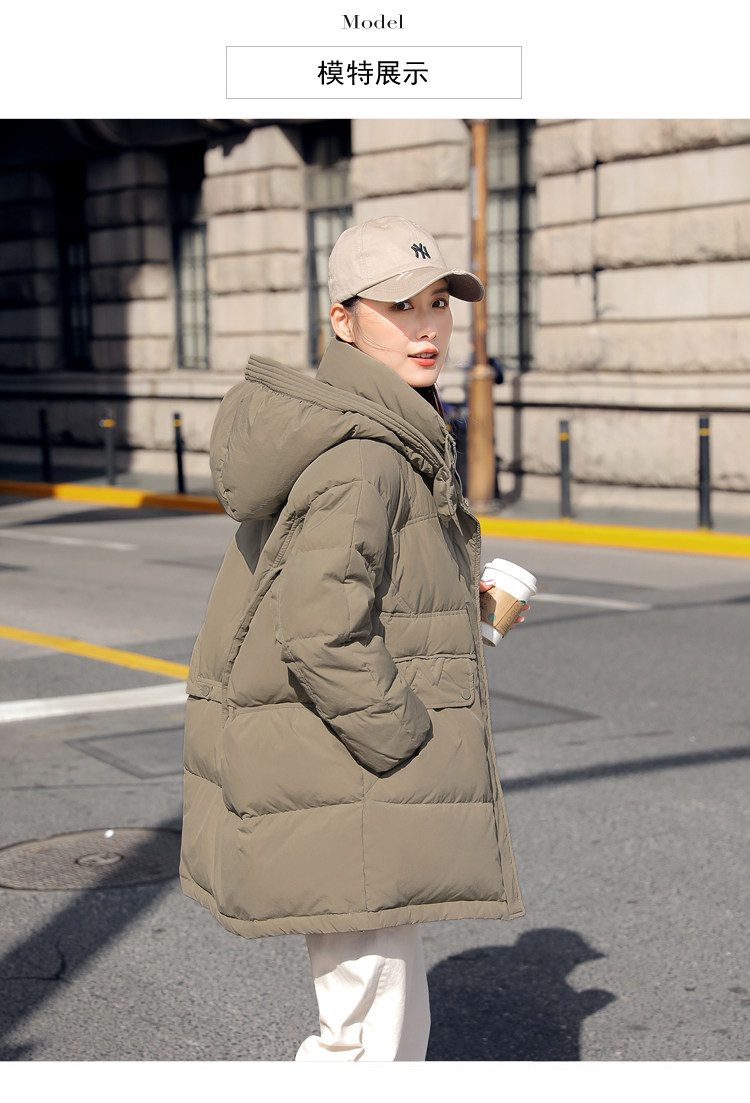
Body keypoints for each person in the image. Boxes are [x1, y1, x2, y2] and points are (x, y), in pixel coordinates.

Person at [180, 215, 526, 1061]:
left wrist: (463, 601)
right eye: (399, 307)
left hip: (349, 775)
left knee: (372, 1014)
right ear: (343, 320)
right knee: (368, 1034)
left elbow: (360, 593)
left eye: (438, 302)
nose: (428, 327)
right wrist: (402, 738)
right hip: (358, 776)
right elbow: (321, 628)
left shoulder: (382, 431)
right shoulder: (367, 454)